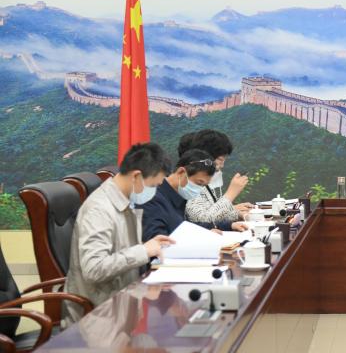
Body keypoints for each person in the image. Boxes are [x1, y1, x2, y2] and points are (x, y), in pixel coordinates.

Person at [63, 143, 174, 326]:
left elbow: (121, 250)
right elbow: (94, 269)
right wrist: (143, 251)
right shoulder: (99, 210)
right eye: (153, 186)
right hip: (98, 317)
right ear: (136, 176)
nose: (153, 192)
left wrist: (148, 246)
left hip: (123, 304)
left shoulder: (124, 200)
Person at [140, 149, 248, 242]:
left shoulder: (179, 197)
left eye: (204, 186)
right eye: (199, 183)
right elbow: (159, 240)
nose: (199, 189)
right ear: (181, 172)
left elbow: (186, 226)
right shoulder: (153, 198)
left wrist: (228, 225)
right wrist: (199, 238)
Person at [181, 130, 252, 226]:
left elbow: (212, 212)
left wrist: (238, 214)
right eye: (220, 159)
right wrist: (231, 193)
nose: (222, 166)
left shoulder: (202, 182)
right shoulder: (187, 183)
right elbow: (203, 221)